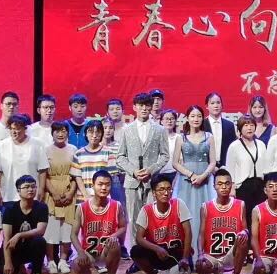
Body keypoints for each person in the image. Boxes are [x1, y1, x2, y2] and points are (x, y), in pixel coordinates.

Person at [117, 92, 171, 248]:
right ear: (134, 107)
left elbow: (165, 156)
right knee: (134, 219)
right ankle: (136, 253)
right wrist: (134, 171)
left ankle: (153, 252)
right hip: (132, 182)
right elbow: (120, 157)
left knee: (153, 218)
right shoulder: (127, 130)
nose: (144, 109)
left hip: (152, 182)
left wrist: (151, 170)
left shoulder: (160, 130)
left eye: (147, 105)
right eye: (141, 105)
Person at [132, 173, 193, 274]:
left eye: (169, 189)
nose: (166, 193)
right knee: (135, 251)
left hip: (177, 253)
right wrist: (157, 249)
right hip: (157, 253)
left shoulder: (178, 204)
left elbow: (188, 232)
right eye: (161, 189)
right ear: (154, 193)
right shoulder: (146, 210)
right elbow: (139, 238)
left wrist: (185, 257)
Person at [171, 105, 218, 256]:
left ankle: (203, 253)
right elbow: (175, 163)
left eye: (199, 116)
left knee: (205, 214)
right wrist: (191, 175)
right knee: (186, 215)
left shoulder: (209, 137)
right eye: (192, 116)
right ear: (187, 118)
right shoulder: (181, 138)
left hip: (205, 182)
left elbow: (213, 162)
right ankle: (186, 254)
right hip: (186, 182)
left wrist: (203, 176)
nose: (196, 119)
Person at [71, 170, 127, 274]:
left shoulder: (116, 205)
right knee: (77, 265)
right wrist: (80, 252)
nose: (104, 188)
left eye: (107, 184)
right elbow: (73, 234)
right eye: (100, 184)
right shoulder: (82, 207)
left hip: (106, 252)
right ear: (93, 186)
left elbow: (123, 227)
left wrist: (114, 235)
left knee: (115, 244)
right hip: (89, 253)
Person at [197, 169, 249, 274]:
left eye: (227, 183)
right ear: (214, 186)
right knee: (200, 268)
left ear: (231, 185)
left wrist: (245, 232)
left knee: (243, 238)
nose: (224, 187)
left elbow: (246, 229)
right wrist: (200, 254)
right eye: (220, 184)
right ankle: (217, 273)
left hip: (231, 254)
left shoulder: (240, 204)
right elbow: (201, 234)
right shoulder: (206, 207)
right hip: (212, 256)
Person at [43, 121, 83, 274]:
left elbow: (76, 174)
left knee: (67, 228)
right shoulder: (45, 150)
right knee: (51, 228)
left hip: (69, 191)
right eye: (57, 131)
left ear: (68, 133)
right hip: (50, 192)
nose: (60, 134)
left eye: (63, 131)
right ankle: (51, 261)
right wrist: (53, 193)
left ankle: (63, 260)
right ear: (52, 133)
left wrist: (71, 193)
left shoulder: (73, 150)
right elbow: (44, 175)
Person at [0, 114, 49, 209]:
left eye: (17, 129)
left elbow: (42, 170)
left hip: (32, 195)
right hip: (9, 196)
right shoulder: (1, 146)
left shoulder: (38, 144)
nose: (14, 132)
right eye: (12, 129)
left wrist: (41, 189)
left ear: (25, 129)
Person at [0, 175, 48, 274]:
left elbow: (41, 231)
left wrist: (19, 234)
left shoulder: (42, 207)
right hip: (14, 248)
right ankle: (20, 268)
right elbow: (6, 239)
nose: (30, 189)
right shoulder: (10, 209)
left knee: (40, 241)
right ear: (18, 190)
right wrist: (8, 262)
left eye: (33, 187)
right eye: (26, 187)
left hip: (30, 247)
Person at [227, 116, 268, 228]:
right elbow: (230, 169)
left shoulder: (261, 144)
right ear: (240, 128)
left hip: (260, 186)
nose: (249, 128)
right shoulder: (234, 146)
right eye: (246, 125)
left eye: (251, 125)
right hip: (243, 187)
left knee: (260, 218)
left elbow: (266, 166)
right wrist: (232, 188)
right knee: (246, 218)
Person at [73, 119, 116, 197]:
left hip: (103, 197)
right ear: (86, 134)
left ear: (102, 134)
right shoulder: (78, 154)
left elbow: (110, 177)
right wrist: (86, 195)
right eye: (91, 132)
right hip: (83, 197)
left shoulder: (109, 152)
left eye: (98, 132)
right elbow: (77, 177)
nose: (94, 135)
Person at [203, 92, 237, 167]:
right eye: (212, 103)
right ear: (207, 106)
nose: (216, 106)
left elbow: (233, 148)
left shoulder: (229, 125)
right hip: (205, 167)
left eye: (218, 103)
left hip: (226, 167)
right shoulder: (202, 125)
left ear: (222, 105)